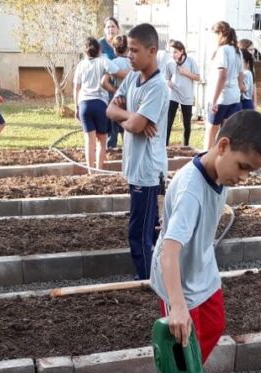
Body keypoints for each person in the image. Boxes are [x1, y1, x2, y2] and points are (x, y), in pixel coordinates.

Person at [146, 110, 261, 373]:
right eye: (243, 167)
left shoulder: (219, 173)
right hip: (177, 278)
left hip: (202, 269)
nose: (243, 178)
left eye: (251, 172)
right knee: (187, 340)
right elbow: (168, 253)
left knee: (214, 326)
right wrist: (177, 306)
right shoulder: (191, 189)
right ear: (223, 146)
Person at [107, 23, 169, 280]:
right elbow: (111, 111)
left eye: (134, 50)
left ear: (151, 51)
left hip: (147, 170)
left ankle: (145, 279)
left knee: (140, 230)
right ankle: (156, 273)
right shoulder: (132, 77)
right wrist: (132, 117)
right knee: (149, 227)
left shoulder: (157, 87)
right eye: (128, 50)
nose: (128, 55)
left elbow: (132, 125)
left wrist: (130, 120)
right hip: (134, 166)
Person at [204, 21, 244, 149]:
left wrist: (214, 100)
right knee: (226, 131)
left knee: (211, 129)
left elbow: (222, 75)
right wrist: (240, 87)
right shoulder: (237, 51)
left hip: (222, 97)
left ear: (220, 33)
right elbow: (240, 74)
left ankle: (206, 157)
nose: (213, 38)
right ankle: (220, 158)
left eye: (214, 34)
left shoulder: (222, 50)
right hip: (234, 97)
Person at [74, 37, 112, 171]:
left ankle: (91, 172)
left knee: (89, 141)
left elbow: (76, 88)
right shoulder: (103, 61)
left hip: (84, 104)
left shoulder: (81, 65)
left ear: (85, 52)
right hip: (100, 103)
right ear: (99, 50)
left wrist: (76, 107)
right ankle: (99, 170)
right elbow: (114, 70)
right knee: (102, 141)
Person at [165, 39, 200, 146]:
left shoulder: (190, 60)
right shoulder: (170, 62)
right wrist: (168, 82)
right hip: (173, 94)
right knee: (169, 121)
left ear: (182, 51)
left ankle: (186, 145)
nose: (173, 54)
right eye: (171, 52)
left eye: (175, 52)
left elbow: (198, 77)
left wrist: (186, 73)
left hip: (187, 96)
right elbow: (166, 77)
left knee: (187, 123)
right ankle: (165, 145)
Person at [102, 34, 131, 151]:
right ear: (128, 49)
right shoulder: (134, 63)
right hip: (130, 100)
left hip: (116, 99)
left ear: (114, 49)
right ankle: (128, 151)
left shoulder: (113, 63)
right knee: (128, 128)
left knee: (113, 130)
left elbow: (104, 82)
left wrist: (115, 91)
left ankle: (110, 152)